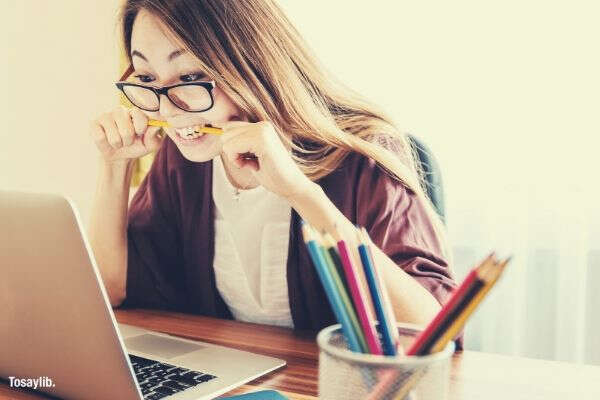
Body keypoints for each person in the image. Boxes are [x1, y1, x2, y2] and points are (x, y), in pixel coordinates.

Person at [88, 0, 459, 342]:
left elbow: (432, 333)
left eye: (189, 77)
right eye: (148, 78)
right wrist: (115, 167)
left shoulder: (364, 154)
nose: (168, 111)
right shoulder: (183, 161)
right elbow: (109, 291)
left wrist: (301, 193)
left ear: (249, 64)